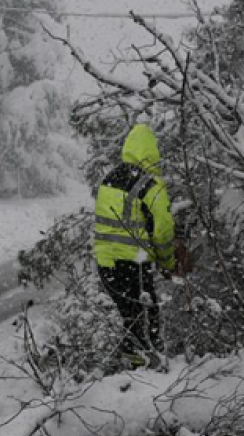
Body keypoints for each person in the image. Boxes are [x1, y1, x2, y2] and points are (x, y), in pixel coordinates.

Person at [93, 124, 176, 368]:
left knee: (131, 318)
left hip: (106, 265)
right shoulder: (150, 185)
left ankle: (130, 368)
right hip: (133, 264)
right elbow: (162, 229)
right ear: (152, 153)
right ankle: (145, 373)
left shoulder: (109, 179)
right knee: (147, 321)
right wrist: (168, 261)